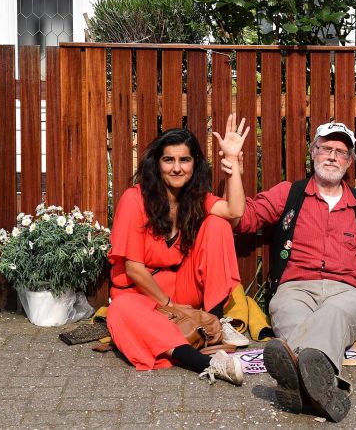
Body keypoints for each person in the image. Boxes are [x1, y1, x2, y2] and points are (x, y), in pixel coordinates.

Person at [232, 121, 356, 422]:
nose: (332, 156)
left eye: (341, 151)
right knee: (290, 313)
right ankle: (323, 388)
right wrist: (233, 165)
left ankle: (297, 378)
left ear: (350, 162)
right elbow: (242, 219)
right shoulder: (290, 194)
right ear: (313, 153)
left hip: (348, 293)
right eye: (326, 148)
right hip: (294, 288)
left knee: (335, 313)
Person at [106, 115, 250, 385]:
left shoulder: (195, 198)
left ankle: (213, 324)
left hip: (182, 287)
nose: (176, 168)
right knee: (120, 311)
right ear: (157, 164)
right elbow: (134, 269)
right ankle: (208, 363)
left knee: (218, 225)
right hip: (142, 293)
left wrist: (233, 165)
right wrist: (172, 307)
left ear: (194, 164)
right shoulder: (134, 199)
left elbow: (235, 211)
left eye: (184, 160)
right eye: (168, 160)